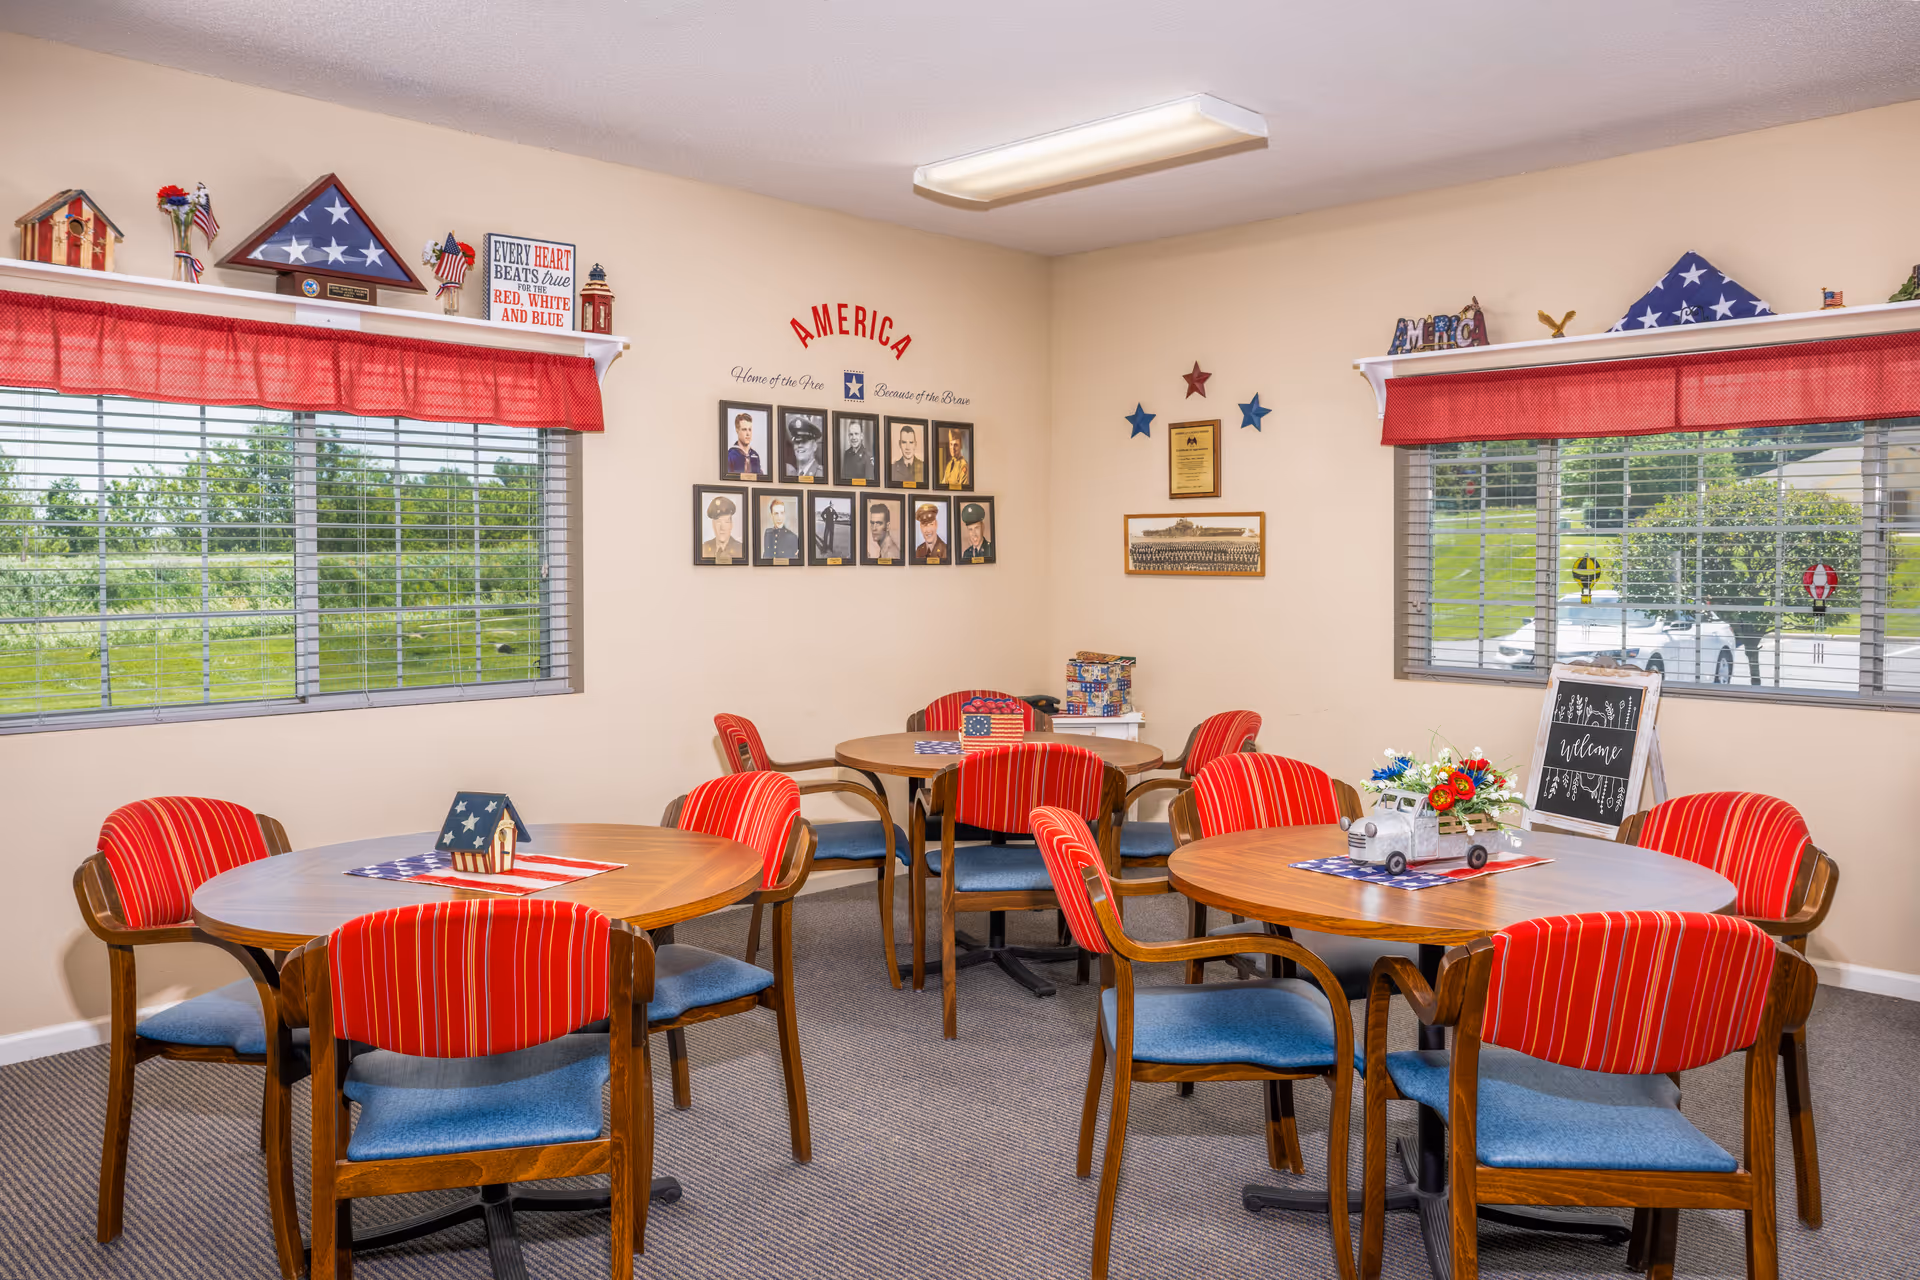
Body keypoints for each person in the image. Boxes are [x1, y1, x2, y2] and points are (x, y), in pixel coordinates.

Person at [702, 494, 744, 559]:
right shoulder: (704, 548)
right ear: (713, 524)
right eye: (718, 522)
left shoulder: (741, 550)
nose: (722, 528)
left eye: (726, 522)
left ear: (731, 525)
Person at [784, 415, 826, 480]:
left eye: (804, 441)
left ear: (814, 446)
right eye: (797, 441)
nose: (800, 445)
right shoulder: (791, 474)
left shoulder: (821, 475)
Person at [839, 419, 876, 484]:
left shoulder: (868, 456)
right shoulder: (847, 454)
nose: (853, 437)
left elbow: (869, 484)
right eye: (851, 434)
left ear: (861, 436)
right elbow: (843, 479)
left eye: (856, 434)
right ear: (848, 436)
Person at [726, 413, 762, 477]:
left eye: (750, 429)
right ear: (737, 430)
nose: (748, 434)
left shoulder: (755, 456)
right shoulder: (730, 455)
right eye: (744, 429)